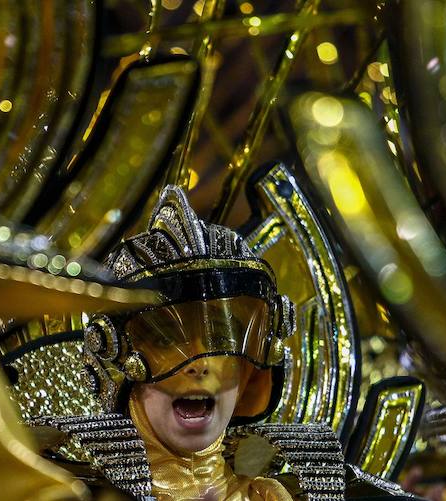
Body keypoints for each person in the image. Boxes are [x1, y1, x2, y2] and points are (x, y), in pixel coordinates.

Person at [34, 186, 404, 500]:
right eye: (166, 338)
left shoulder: (299, 488)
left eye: (225, 337)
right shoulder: (51, 486)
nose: (200, 363)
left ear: (250, 370)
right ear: (112, 354)